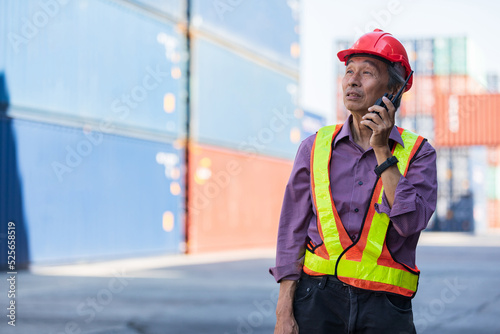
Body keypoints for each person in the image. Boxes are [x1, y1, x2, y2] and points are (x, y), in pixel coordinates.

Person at [270, 29, 438, 334]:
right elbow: (291, 230)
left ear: (394, 90)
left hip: (385, 308)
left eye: (367, 73)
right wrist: (284, 310)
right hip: (316, 301)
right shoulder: (314, 147)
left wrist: (382, 149)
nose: (352, 80)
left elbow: (410, 223)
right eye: (348, 71)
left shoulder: (418, 153)